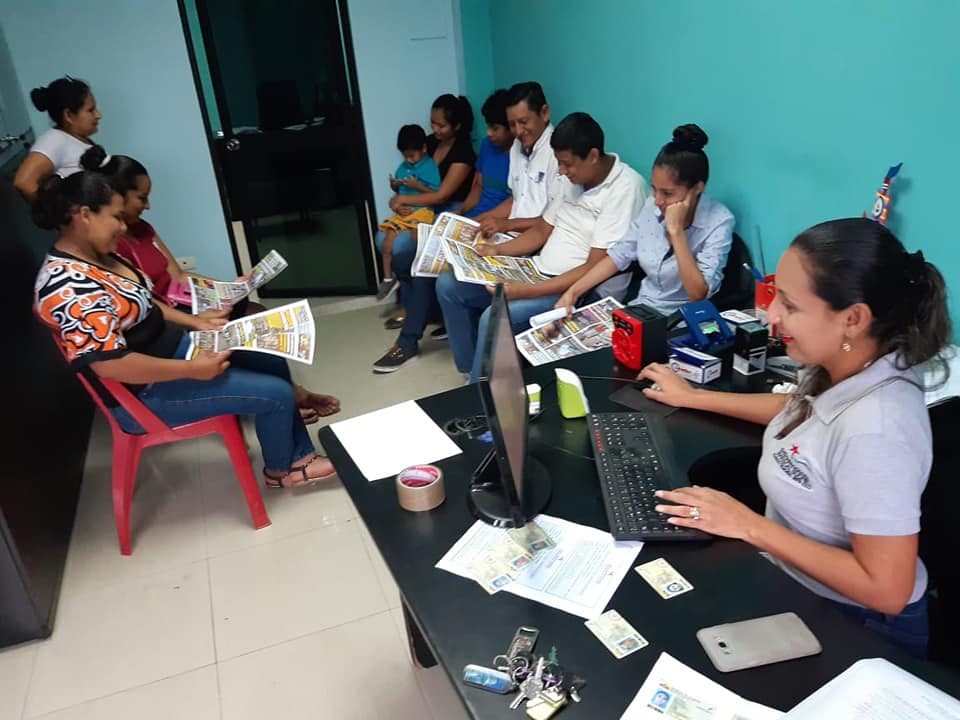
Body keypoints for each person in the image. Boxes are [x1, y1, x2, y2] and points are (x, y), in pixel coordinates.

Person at [638, 218, 951, 658]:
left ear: (853, 319)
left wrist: (746, 524)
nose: (771, 315)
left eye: (789, 304)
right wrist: (694, 397)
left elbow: (887, 589)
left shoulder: (878, 429)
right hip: (795, 583)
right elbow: (800, 413)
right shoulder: (846, 363)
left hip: (857, 624)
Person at [33, 171, 338, 488]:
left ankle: (297, 452)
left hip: (179, 350)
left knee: (268, 356)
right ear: (85, 215)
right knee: (276, 394)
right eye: (116, 217)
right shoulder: (68, 287)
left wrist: (197, 322)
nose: (123, 227)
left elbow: (145, 303)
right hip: (146, 393)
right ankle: (282, 471)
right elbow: (109, 364)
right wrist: (193, 369)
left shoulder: (100, 256)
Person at [80, 146, 341, 425]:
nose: (148, 206)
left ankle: (287, 394)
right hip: (169, 319)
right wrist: (196, 318)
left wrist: (227, 287)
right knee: (243, 325)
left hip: (183, 303)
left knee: (249, 310)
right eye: (142, 198)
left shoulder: (144, 229)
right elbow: (142, 305)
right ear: (117, 198)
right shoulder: (109, 246)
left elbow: (178, 275)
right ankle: (283, 395)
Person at [438, 112, 648, 382]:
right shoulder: (572, 178)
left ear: (593, 156)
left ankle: (479, 394)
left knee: (496, 317)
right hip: (536, 269)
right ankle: (471, 375)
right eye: (559, 163)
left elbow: (595, 266)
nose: (561, 171)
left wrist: (526, 291)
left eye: (567, 164)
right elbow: (541, 230)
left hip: (575, 289)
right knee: (449, 285)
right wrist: (497, 252)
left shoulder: (626, 188)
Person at [557, 124, 733, 315]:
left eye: (668, 193)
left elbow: (698, 294)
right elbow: (618, 256)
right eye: (654, 189)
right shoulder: (652, 206)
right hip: (642, 308)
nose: (658, 200)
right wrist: (573, 292)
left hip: (683, 319)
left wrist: (676, 233)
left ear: (697, 188)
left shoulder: (719, 221)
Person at [374, 94, 476, 331]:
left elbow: (441, 196)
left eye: (441, 125)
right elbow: (410, 178)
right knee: (382, 238)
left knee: (401, 248)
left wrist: (405, 199)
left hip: (448, 209)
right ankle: (413, 302)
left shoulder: (463, 153)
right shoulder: (428, 143)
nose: (435, 129)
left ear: (456, 126)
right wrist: (399, 200)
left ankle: (411, 307)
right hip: (421, 207)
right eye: (432, 123)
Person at [476, 81, 564, 238]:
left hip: (539, 240)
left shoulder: (558, 153)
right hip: (510, 235)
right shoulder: (517, 146)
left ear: (544, 113)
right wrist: (477, 221)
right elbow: (515, 200)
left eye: (523, 122)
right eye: (512, 125)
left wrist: (508, 225)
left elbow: (555, 219)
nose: (518, 131)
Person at [376, 124, 441, 300]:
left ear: (424, 149)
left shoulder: (429, 166)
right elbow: (399, 195)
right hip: (403, 214)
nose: (409, 160)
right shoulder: (402, 168)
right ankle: (388, 279)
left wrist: (417, 185)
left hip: (422, 213)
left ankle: (419, 277)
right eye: (405, 156)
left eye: (412, 155)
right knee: (387, 240)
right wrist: (395, 187)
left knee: (415, 238)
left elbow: (436, 194)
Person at [14, 76, 102, 203]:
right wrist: (55, 212)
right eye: (91, 110)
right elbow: (23, 182)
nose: (98, 115)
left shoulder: (79, 139)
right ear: (69, 115)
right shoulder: (54, 140)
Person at [453, 88, 514, 221]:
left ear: (511, 127)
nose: (489, 133)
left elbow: (514, 204)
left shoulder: (521, 156)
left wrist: (479, 221)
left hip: (497, 223)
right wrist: (460, 212)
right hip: (475, 217)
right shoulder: (487, 145)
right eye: (488, 126)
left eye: (495, 128)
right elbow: (478, 186)